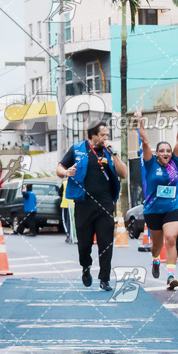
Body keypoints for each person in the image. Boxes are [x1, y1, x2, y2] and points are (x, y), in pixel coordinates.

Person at [56, 121, 128, 291]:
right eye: (102, 135)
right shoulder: (78, 149)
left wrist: (115, 154)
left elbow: (123, 173)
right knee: (84, 244)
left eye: (107, 135)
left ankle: (104, 279)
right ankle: (86, 267)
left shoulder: (109, 152)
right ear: (92, 135)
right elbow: (59, 167)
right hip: (83, 204)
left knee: (106, 243)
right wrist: (66, 173)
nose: (105, 138)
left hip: (105, 204)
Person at [135, 106, 178, 290]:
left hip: (172, 207)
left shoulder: (175, 163)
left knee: (171, 238)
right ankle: (155, 260)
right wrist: (139, 121)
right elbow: (145, 143)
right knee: (157, 245)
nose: (165, 153)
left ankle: (170, 275)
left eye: (168, 151)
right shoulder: (150, 164)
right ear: (157, 153)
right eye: (162, 151)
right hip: (153, 210)